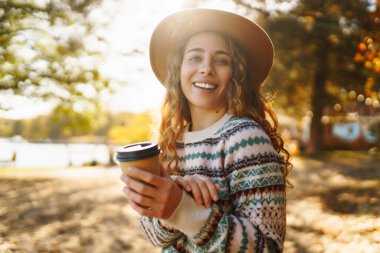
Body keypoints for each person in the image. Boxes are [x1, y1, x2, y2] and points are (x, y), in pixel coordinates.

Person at [120, 8, 292, 253]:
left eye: (221, 60)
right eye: (195, 58)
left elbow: (268, 248)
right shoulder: (171, 141)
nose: (207, 68)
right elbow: (156, 237)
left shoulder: (245, 139)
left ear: (236, 74)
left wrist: (184, 209)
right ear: (178, 70)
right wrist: (173, 197)